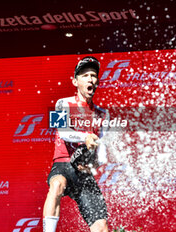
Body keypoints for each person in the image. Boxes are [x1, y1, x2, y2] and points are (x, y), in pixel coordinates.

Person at [43, 56, 109, 232]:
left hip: (83, 171)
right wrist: (86, 136)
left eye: (93, 76)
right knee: (56, 185)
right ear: (75, 81)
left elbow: (102, 150)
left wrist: (94, 164)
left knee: (101, 226)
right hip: (63, 163)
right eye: (85, 75)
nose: (90, 79)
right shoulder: (62, 103)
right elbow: (62, 132)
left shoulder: (103, 114)